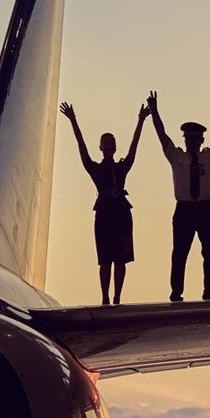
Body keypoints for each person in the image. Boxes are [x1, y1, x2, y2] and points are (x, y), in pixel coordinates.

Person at [147, 90, 210, 301]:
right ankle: (176, 293)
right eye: (188, 138)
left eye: (195, 138)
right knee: (180, 252)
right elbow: (162, 135)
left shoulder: (208, 156)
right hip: (183, 209)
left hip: (205, 208)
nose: (191, 141)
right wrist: (155, 112)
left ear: (201, 140)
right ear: (185, 140)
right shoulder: (176, 156)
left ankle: (209, 293)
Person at [59, 101, 150, 304]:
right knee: (105, 259)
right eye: (105, 143)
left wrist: (141, 121)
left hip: (122, 212)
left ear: (115, 146)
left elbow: (134, 147)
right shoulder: (94, 168)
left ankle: (117, 297)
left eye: (111, 142)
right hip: (104, 212)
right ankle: (105, 298)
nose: (109, 145)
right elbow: (81, 146)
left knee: (121, 258)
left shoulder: (122, 167)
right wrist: (73, 120)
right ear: (100, 147)